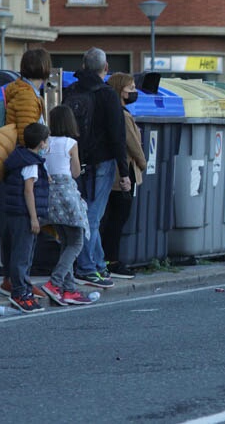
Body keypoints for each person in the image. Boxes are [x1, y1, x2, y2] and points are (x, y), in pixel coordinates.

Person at [65, 48, 129, 289]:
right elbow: (117, 136)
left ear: (83, 64)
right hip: (102, 160)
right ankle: (86, 267)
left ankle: (98, 263)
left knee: (87, 213)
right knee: (92, 216)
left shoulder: (70, 91)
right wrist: (124, 173)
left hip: (76, 158)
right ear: (106, 67)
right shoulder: (107, 95)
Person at [0, 48, 51, 298]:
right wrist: (37, 160)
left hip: (13, 163)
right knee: (23, 231)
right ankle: (20, 284)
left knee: (12, 228)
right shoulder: (28, 96)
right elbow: (27, 133)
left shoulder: (18, 90)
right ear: (44, 67)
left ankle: (13, 279)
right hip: (24, 167)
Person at [41, 106, 93, 306]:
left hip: (50, 196)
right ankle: (55, 283)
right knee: (77, 242)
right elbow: (76, 171)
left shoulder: (47, 143)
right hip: (67, 195)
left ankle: (69, 290)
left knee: (65, 242)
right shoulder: (71, 143)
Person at [1, 122, 51, 313]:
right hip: (24, 213)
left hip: (14, 212)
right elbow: (28, 190)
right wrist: (34, 218)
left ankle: (23, 287)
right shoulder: (31, 163)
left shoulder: (20, 157)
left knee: (19, 253)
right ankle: (20, 292)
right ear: (41, 143)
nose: (47, 146)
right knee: (23, 254)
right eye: (46, 142)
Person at [101, 73, 147, 279]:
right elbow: (133, 145)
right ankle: (112, 261)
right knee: (118, 218)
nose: (134, 91)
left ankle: (108, 259)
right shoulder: (123, 115)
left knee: (112, 218)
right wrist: (143, 163)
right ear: (120, 90)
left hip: (113, 173)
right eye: (131, 88)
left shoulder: (111, 112)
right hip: (124, 172)